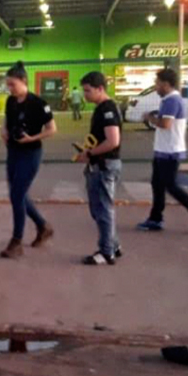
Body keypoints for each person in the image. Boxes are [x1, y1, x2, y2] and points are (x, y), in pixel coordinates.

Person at [137, 69, 188, 234]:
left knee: (170, 185)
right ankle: (155, 218)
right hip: (163, 149)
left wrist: (149, 118)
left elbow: (165, 124)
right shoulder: (168, 100)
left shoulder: (172, 101)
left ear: (165, 83)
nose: (155, 87)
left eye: (157, 83)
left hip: (170, 151)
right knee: (157, 184)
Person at [0, 62, 56, 259]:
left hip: (30, 153)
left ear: (24, 81)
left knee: (17, 195)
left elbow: (52, 129)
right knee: (18, 194)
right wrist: (4, 130)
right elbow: (7, 120)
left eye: (13, 84)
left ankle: (17, 241)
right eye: (8, 85)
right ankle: (42, 226)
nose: (10, 89)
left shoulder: (38, 103)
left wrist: (31, 138)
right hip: (13, 151)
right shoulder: (11, 101)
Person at [75, 72, 123, 265]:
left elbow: (113, 141)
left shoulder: (107, 110)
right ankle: (113, 245)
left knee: (103, 209)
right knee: (99, 209)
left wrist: (90, 153)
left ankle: (106, 252)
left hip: (104, 165)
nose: (85, 95)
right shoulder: (103, 108)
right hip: (99, 164)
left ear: (100, 89)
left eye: (88, 90)